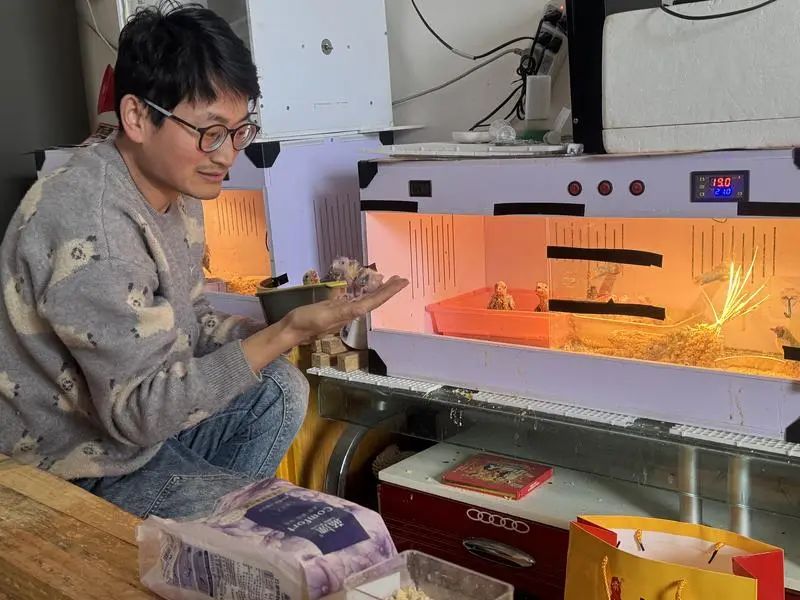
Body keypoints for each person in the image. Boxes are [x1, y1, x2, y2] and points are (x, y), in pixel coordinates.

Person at [0, 3, 407, 519]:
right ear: (137, 116)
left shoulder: (175, 187)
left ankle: (211, 523)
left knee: (278, 390)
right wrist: (283, 334)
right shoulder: (93, 225)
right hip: (69, 465)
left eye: (240, 131)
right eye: (210, 131)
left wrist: (289, 324)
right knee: (261, 523)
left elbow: (190, 324)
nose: (227, 154)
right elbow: (141, 412)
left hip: (126, 434)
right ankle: (214, 526)